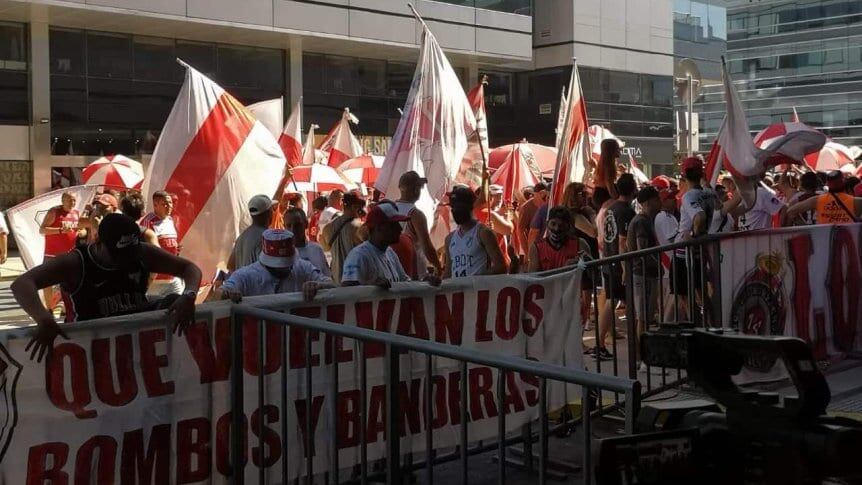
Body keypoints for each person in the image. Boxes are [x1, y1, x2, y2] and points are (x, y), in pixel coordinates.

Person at [11, 214, 202, 362]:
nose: (125, 260)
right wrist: (43, 317)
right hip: (90, 350)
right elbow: (22, 284)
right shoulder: (76, 262)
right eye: (117, 255)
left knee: (172, 301)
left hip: (135, 346)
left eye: (130, 253)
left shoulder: (142, 253)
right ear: (98, 241)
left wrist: (189, 294)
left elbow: (189, 268)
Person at [341, 200, 440, 287]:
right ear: (378, 228)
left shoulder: (390, 253)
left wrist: (424, 282)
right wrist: (370, 287)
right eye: (393, 225)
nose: (400, 229)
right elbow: (347, 292)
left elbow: (405, 283)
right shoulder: (359, 255)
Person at [218, 229, 334, 302]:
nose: (283, 269)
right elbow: (216, 296)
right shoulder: (245, 276)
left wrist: (318, 286)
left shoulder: (303, 268)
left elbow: (333, 285)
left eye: (286, 264)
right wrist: (226, 294)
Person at [593, 173, 637, 360]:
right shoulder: (626, 211)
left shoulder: (611, 208)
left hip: (609, 260)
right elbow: (623, 241)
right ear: (633, 189)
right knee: (614, 302)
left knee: (613, 301)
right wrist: (626, 268)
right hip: (618, 262)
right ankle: (600, 343)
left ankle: (600, 343)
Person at [627, 186, 662, 363]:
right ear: (648, 202)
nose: (660, 201)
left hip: (645, 273)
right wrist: (658, 264)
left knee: (646, 316)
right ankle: (642, 356)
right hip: (642, 274)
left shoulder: (646, 219)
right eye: (657, 198)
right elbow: (643, 250)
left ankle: (643, 354)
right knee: (643, 317)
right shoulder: (641, 222)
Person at [444, 186, 507, 278]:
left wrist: (475, 279)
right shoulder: (449, 239)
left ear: (471, 206)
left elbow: (501, 267)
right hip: (459, 291)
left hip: (478, 291)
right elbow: (448, 274)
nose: (455, 210)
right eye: (453, 207)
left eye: (459, 207)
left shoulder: (483, 233)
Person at [393, 171, 442, 278]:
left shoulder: (390, 209)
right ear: (416, 190)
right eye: (420, 188)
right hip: (415, 272)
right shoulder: (416, 214)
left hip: (394, 270)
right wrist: (438, 267)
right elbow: (427, 246)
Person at [39, 191, 80, 310]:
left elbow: (77, 230)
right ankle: (49, 309)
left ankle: (67, 307)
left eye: (74, 200)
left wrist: (81, 232)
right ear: (62, 201)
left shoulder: (76, 213)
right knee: (47, 283)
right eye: (69, 200)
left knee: (70, 282)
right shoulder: (54, 212)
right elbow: (42, 230)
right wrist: (60, 230)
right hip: (52, 254)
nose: (72, 203)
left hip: (69, 255)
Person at [141, 190, 183, 296]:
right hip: (156, 282)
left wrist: (176, 248)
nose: (169, 206)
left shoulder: (170, 220)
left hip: (172, 278)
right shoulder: (148, 222)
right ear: (155, 205)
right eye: (165, 204)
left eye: (170, 202)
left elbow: (171, 243)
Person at [654, 184, 686, 321]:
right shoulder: (664, 216)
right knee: (671, 302)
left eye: (674, 197)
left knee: (674, 302)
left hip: (669, 264)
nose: (674, 200)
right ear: (663, 201)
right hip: (668, 265)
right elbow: (674, 238)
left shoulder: (670, 216)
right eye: (670, 198)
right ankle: (666, 328)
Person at [321, 192, 366, 284]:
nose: (363, 209)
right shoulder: (360, 228)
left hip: (337, 281)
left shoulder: (328, 228)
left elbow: (326, 249)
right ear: (354, 207)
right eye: (361, 206)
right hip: (355, 282)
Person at [786, 170, 862, 224]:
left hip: (824, 242)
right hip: (849, 243)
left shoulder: (817, 200)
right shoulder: (857, 201)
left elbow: (790, 212)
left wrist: (805, 227)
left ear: (828, 184)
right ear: (843, 182)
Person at [527, 206, 588, 272]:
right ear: (547, 224)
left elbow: (594, 275)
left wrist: (587, 262)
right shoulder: (536, 248)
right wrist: (565, 270)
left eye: (561, 225)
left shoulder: (580, 244)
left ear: (568, 227)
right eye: (553, 224)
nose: (557, 229)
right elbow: (532, 279)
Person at [228, 194, 274, 272]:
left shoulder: (242, 237)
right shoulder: (266, 237)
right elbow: (267, 270)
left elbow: (230, 265)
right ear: (269, 213)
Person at [283, 207, 330, 276]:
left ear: (306, 224)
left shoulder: (317, 249)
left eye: (297, 225)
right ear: (284, 227)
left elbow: (327, 277)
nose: (293, 230)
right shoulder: (281, 254)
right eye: (289, 226)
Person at [518, 182, 547, 260]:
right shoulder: (526, 208)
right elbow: (521, 231)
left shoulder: (548, 204)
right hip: (535, 248)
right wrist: (528, 254)